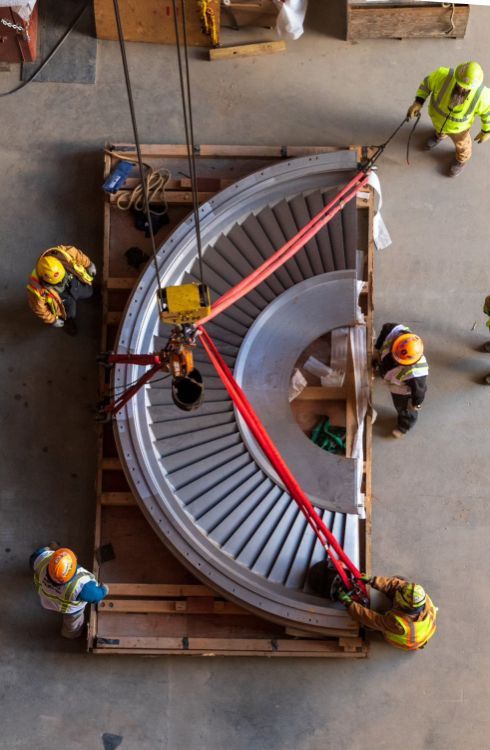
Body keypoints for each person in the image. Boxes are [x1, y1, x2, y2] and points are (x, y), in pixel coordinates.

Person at [406, 61, 490, 177]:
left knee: (463, 145)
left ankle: (461, 159)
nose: (461, 89)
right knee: (440, 130)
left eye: (466, 88)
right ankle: (439, 136)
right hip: (438, 120)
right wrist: (418, 102)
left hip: (459, 129)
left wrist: (486, 131)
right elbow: (427, 84)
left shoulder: (482, 96)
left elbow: (488, 113)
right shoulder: (442, 75)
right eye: (459, 84)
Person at [338, 575, 437, 651]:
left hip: (409, 642)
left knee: (370, 625)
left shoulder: (399, 624)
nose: (400, 587)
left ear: (403, 604)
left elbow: (372, 619)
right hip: (425, 630)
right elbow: (397, 585)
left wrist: (349, 604)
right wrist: (373, 580)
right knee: (396, 582)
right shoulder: (421, 597)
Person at [30, 544, 109, 638]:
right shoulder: (82, 585)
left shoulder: (42, 559)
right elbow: (96, 596)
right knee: (73, 622)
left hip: (46, 601)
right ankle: (70, 633)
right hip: (70, 610)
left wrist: (47, 550)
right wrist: (104, 590)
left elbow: (35, 557)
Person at [374, 323, 428, 439]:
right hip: (389, 370)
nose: (397, 360)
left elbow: (420, 391)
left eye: (399, 361)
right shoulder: (397, 333)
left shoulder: (417, 372)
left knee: (403, 409)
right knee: (386, 365)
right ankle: (383, 371)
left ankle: (405, 425)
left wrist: (415, 404)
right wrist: (377, 348)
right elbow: (386, 327)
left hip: (401, 392)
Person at [27, 245, 96, 335]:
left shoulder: (62, 254)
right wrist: (52, 320)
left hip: (74, 283)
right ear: (45, 280)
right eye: (58, 282)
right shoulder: (36, 292)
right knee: (70, 314)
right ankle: (69, 323)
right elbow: (40, 309)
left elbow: (77, 254)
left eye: (62, 278)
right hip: (61, 299)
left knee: (89, 292)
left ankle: (93, 294)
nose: (62, 282)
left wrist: (89, 264)